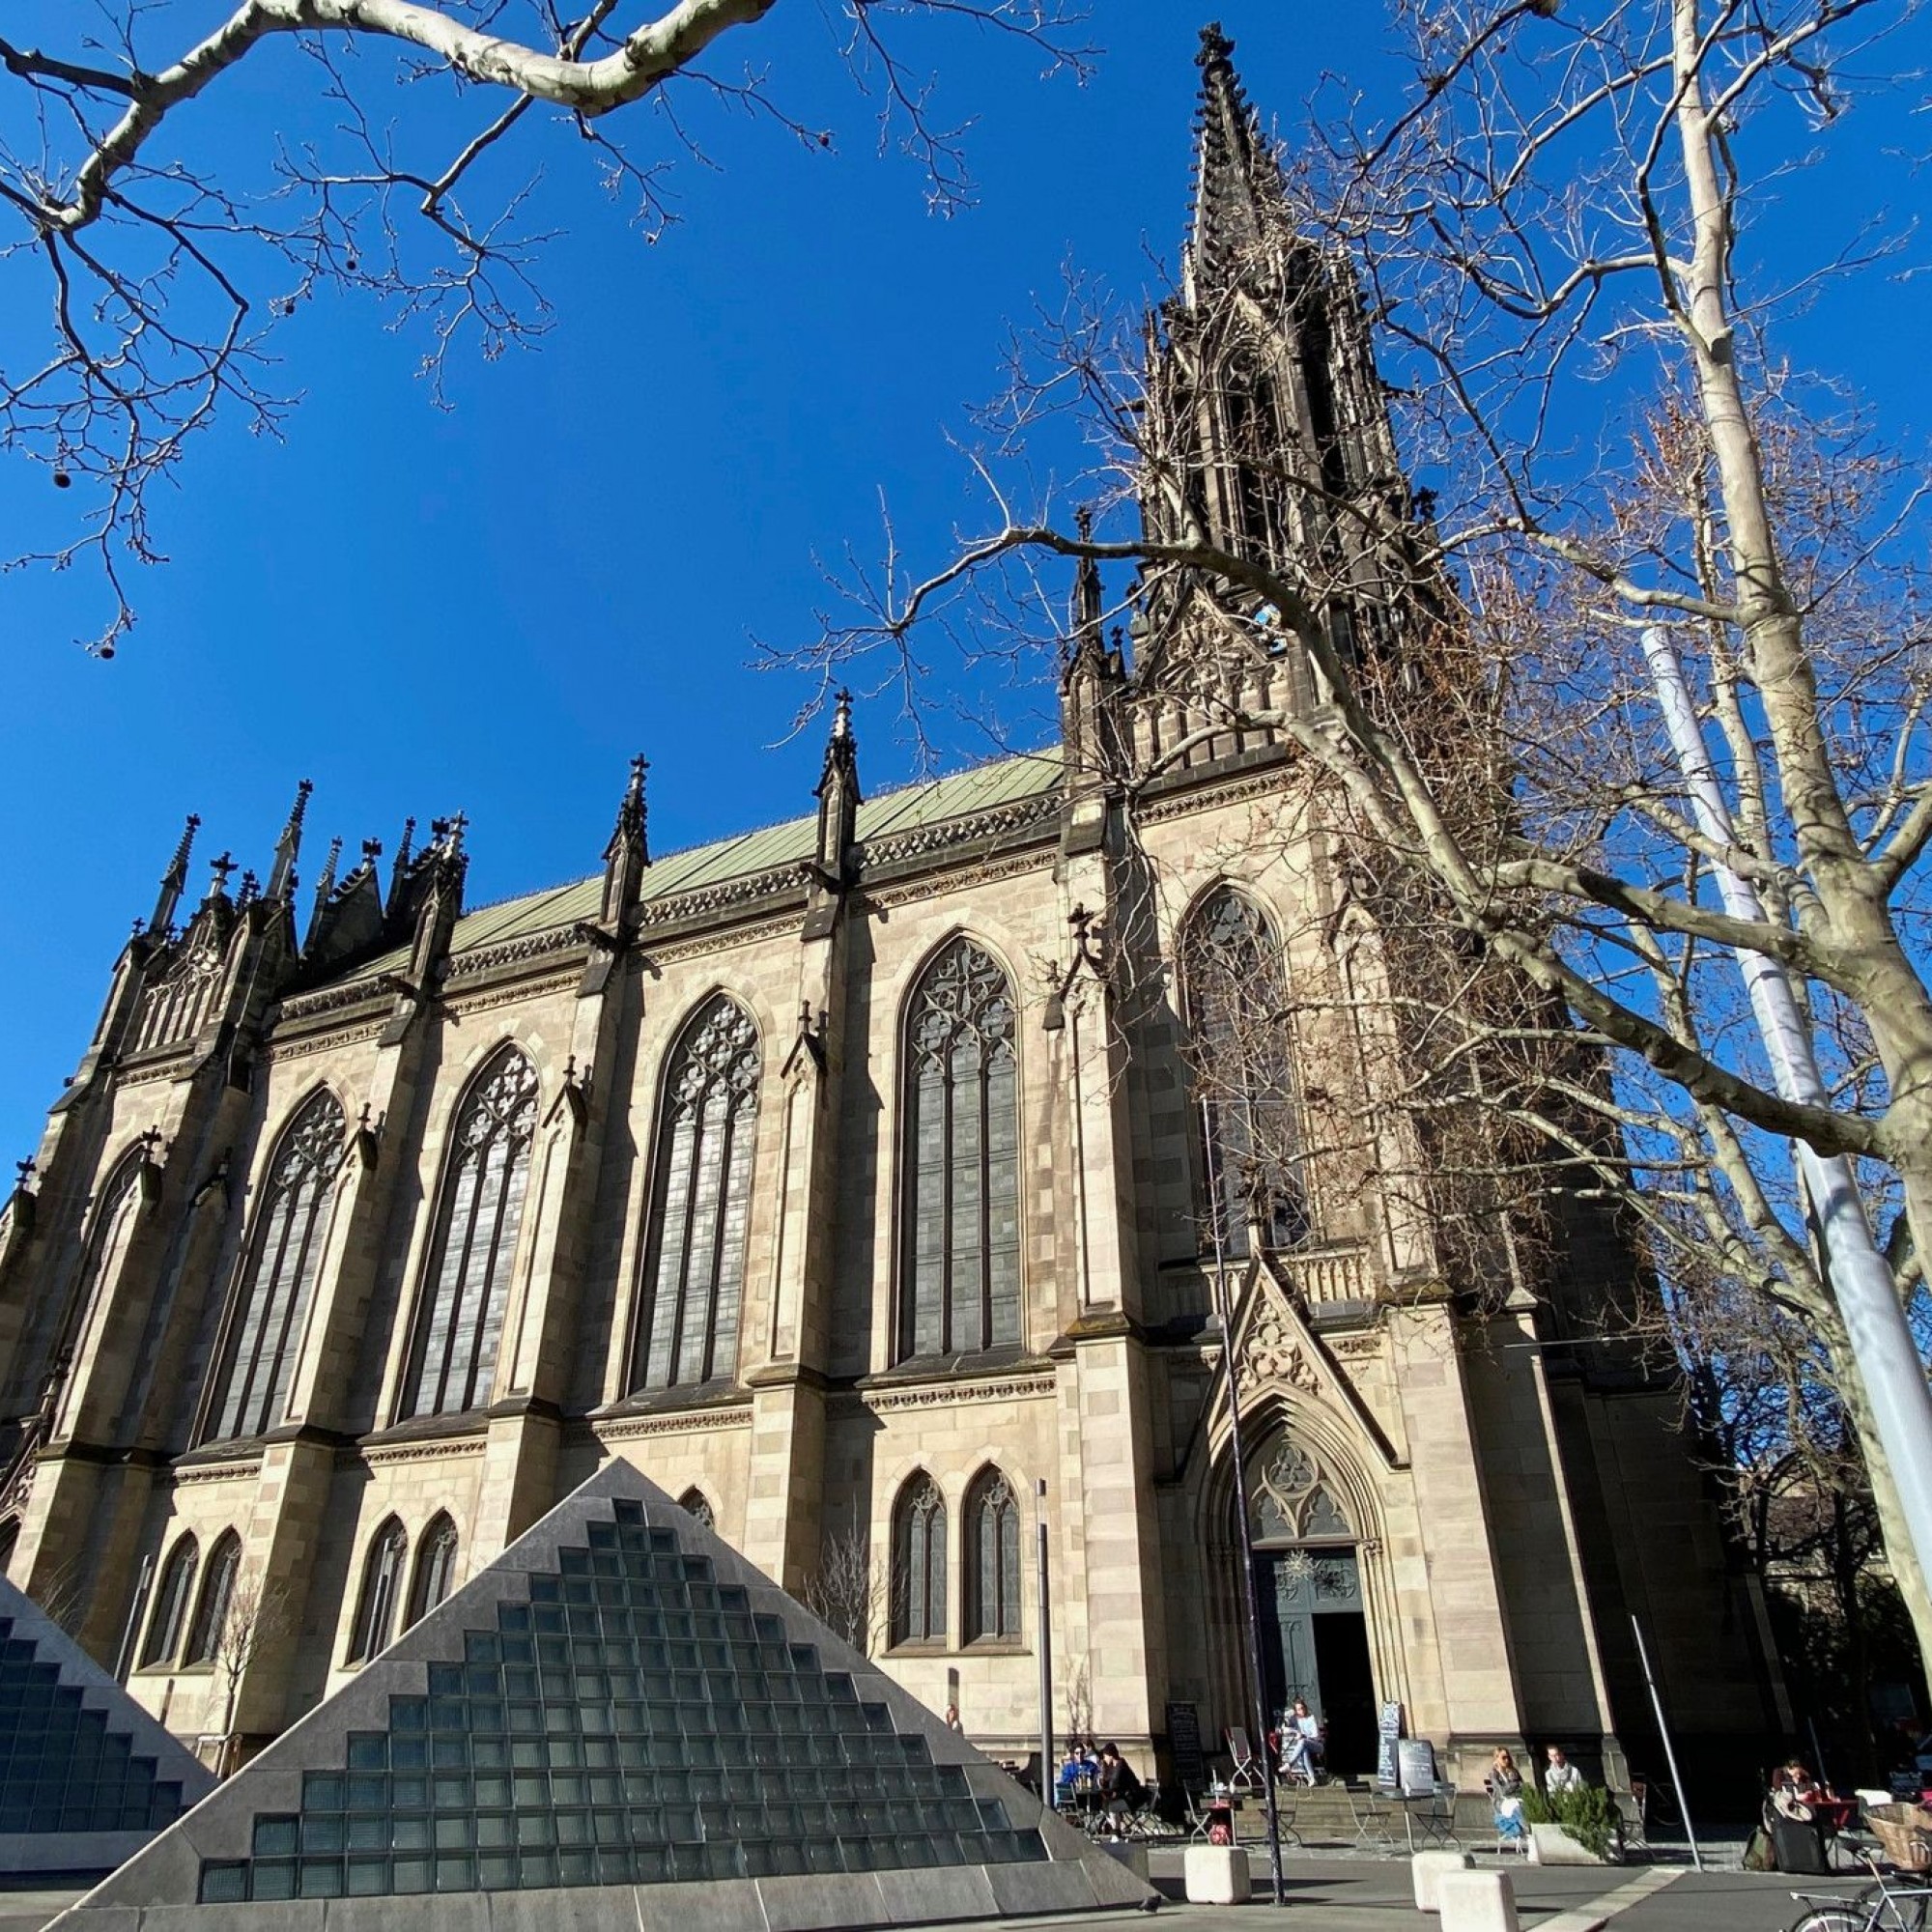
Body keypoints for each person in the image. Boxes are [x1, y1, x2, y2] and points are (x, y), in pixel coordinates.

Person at [1096, 1742, 1149, 1829]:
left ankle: (1116, 1833)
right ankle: (1115, 1830)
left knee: (1111, 1807)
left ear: (1110, 1755)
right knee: (1105, 1804)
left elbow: (1113, 1785)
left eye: (1105, 1756)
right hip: (1125, 1796)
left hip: (1132, 1799)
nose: (1104, 1759)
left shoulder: (1120, 1766)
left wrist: (1103, 1785)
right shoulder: (1114, 1766)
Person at [1280, 1699, 1324, 1783]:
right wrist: (1294, 1730)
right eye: (1299, 1709)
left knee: (1303, 1742)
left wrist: (1303, 1736)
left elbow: (1316, 1736)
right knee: (1304, 1750)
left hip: (1317, 1745)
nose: (1302, 1711)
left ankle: (1289, 1764)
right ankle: (1312, 1778)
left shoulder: (1311, 1718)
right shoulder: (1295, 1720)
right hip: (1304, 1746)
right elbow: (1284, 1728)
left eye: (1303, 1708)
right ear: (1296, 1711)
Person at [1487, 1747, 1526, 1842]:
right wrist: (1514, 1784)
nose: (1507, 1760)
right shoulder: (1494, 1774)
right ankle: (1524, 1831)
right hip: (1502, 1802)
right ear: (1497, 1759)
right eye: (1503, 1758)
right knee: (1519, 1808)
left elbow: (1522, 1787)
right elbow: (1502, 1791)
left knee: (1524, 1806)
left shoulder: (1513, 1771)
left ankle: (1524, 1832)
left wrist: (1513, 1785)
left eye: (1508, 1757)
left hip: (1516, 1799)